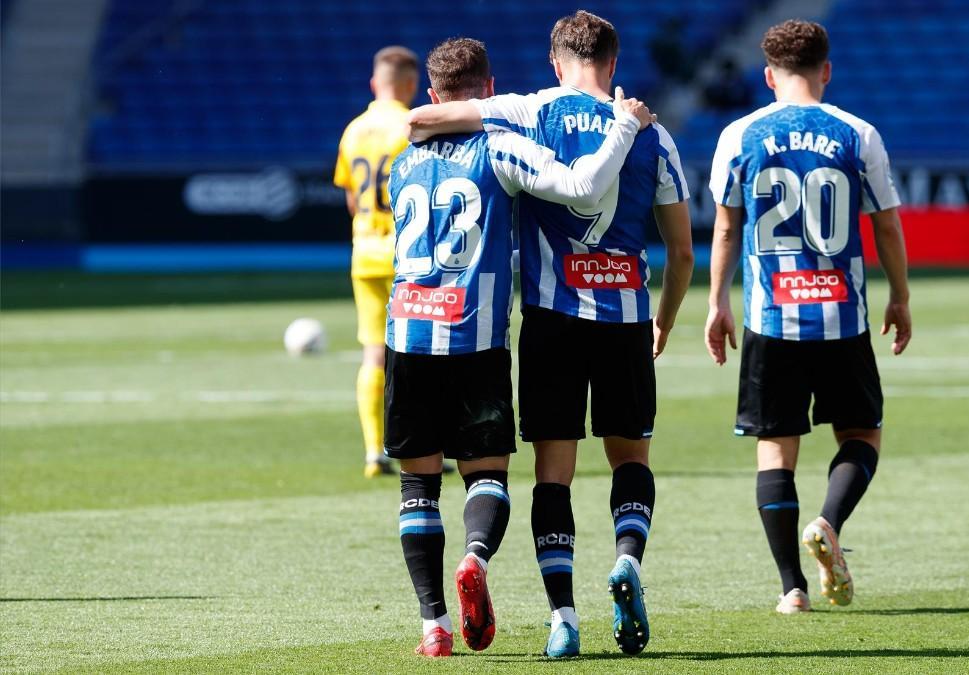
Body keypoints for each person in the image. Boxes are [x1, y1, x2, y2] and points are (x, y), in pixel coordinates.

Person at [405, 9, 694, 658]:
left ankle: (563, 615)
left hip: (550, 319)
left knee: (553, 477)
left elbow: (429, 120)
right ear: (613, 64)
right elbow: (681, 253)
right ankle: (628, 560)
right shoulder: (655, 135)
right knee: (631, 459)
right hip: (623, 320)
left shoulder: (525, 109)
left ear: (555, 61)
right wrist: (665, 318)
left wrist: (415, 116)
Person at [704, 20, 912, 614]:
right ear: (827, 71)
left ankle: (792, 589)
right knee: (862, 433)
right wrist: (899, 295)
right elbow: (887, 223)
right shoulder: (857, 133)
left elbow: (725, 227)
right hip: (842, 318)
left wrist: (717, 302)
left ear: (768, 75)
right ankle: (828, 520)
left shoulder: (738, 135)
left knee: (776, 450)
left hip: (770, 319)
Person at [332, 46, 420, 478]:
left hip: (365, 253)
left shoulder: (353, 131)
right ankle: (422, 447)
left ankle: (373, 453)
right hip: (408, 256)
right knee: (420, 354)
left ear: (374, 83)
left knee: (374, 355)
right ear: (411, 83)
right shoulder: (413, 125)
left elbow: (352, 199)